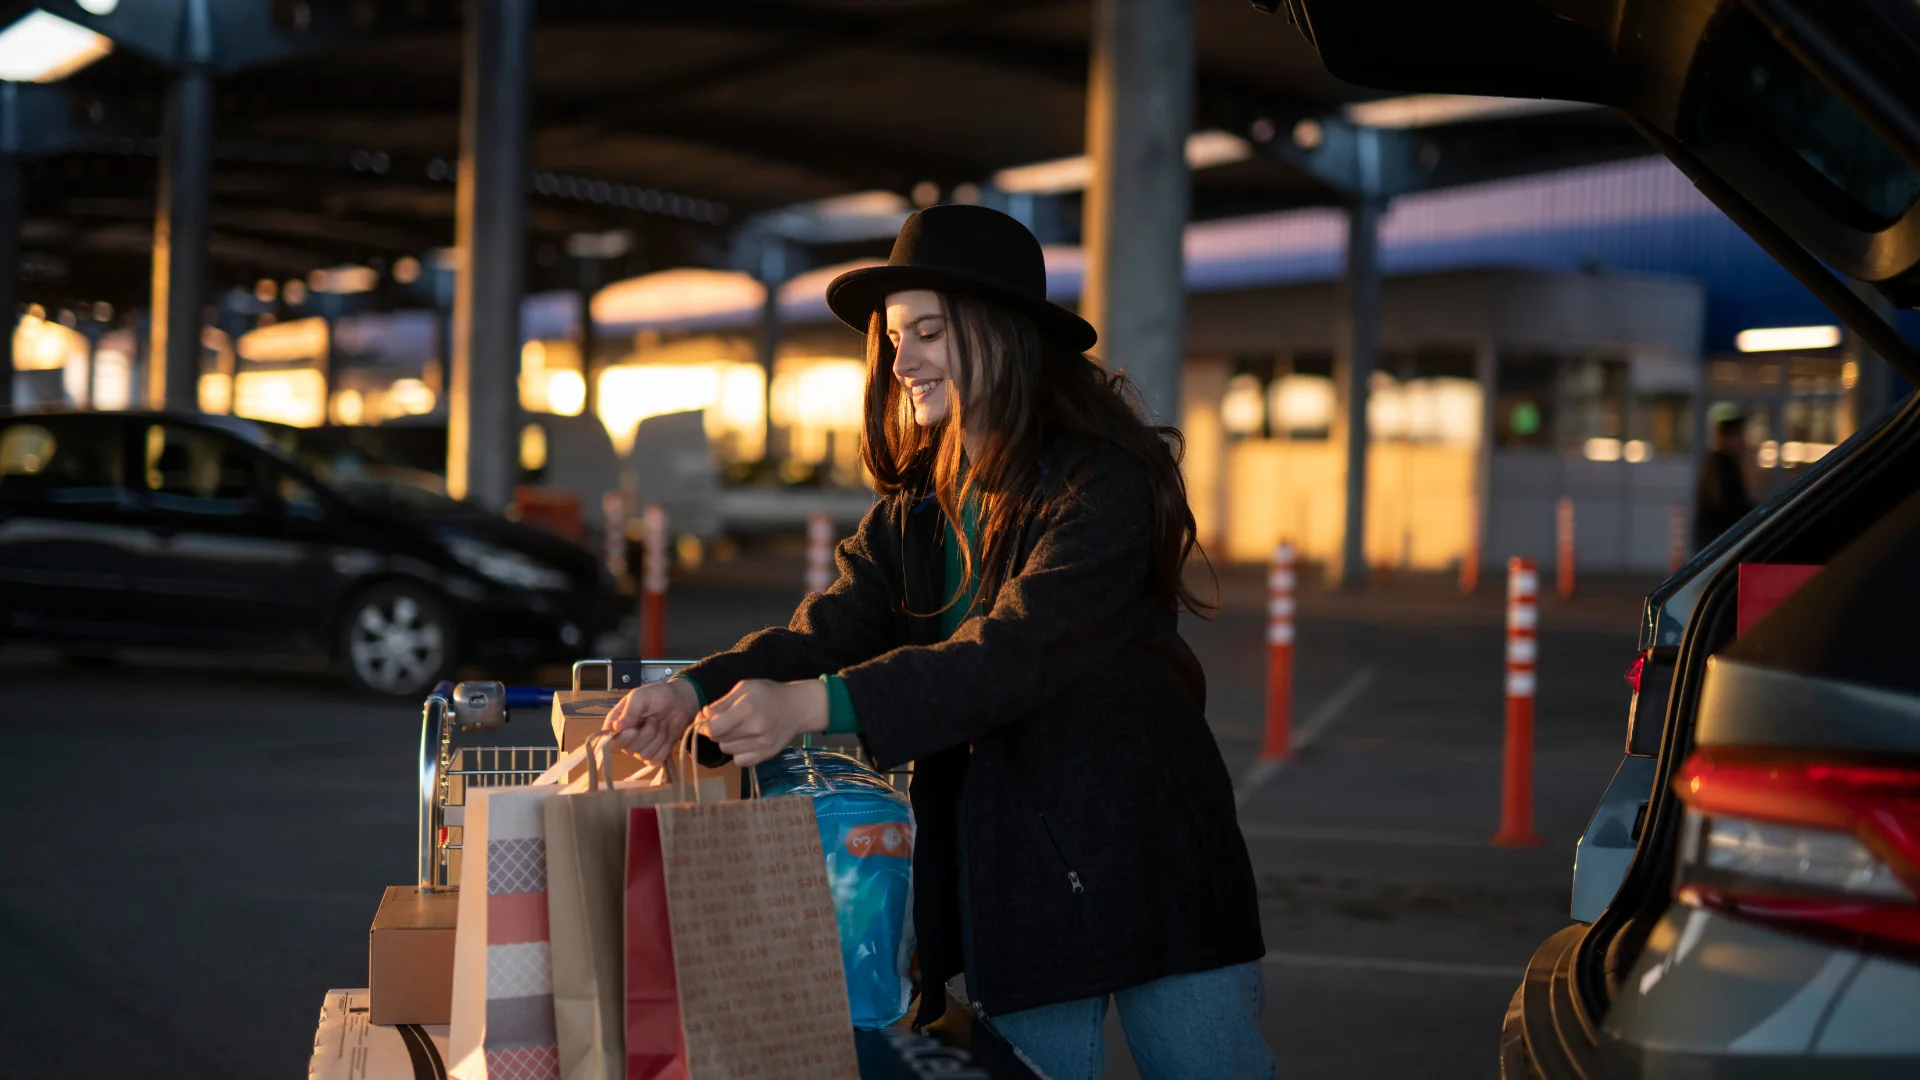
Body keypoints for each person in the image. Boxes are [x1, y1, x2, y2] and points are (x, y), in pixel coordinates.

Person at [603, 204, 1272, 1080]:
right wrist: (694, 689)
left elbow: (1016, 653)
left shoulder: (1100, 486)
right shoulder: (918, 510)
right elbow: (834, 625)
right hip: (1017, 879)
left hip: (1150, 853)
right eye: (891, 338)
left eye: (928, 331)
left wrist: (812, 707)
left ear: (1003, 334)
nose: (901, 359)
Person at [1693, 415, 1755, 550]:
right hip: (1719, 539)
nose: (1743, 443)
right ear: (1727, 439)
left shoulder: (1717, 462)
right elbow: (1730, 506)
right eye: (1739, 437)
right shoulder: (1723, 465)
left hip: (1715, 539)